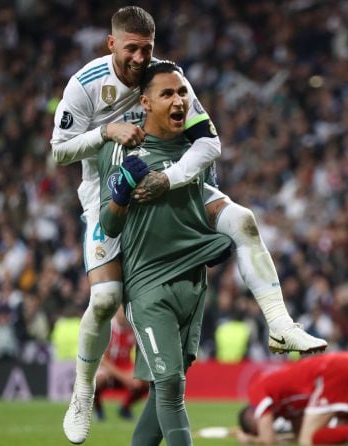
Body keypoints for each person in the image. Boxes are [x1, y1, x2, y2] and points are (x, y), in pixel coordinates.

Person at [51, 7, 326, 443]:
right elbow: (60, 152)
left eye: (147, 48)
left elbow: (209, 141)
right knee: (105, 299)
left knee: (244, 220)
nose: (140, 58)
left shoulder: (168, 80)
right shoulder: (85, 86)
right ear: (111, 45)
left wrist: (169, 178)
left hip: (179, 181)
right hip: (102, 187)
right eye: (131, 49)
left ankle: (279, 323)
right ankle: (84, 389)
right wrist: (107, 133)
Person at [99, 60, 234, 446]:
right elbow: (108, 227)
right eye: (167, 94)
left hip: (194, 283)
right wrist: (121, 194)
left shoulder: (200, 153)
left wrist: (215, 241)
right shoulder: (126, 152)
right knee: (171, 386)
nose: (178, 100)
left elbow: (209, 210)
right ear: (146, 102)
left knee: (164, 389)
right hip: (149, 286)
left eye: (182, 92)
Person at [234, 352, 348, 445]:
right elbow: (297, 435)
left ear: (252, 416)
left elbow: (269, 441)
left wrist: (251, 440)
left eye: (256, 428)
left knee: (309, 441)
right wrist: (280, 438)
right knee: (342, 434)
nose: (266, 426)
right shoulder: (286, 409)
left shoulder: (256, 391)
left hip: (334, 370)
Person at [93, 310, 149, 421]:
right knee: (97, 381)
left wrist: (135, 370)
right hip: (106, 369)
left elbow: (143, 354)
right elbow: (101, 359)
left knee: (147, 380)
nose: (125, 315)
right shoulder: (105, 327)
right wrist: (123, 376)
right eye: (122, 311)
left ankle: (125, 408)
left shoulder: (136, 328)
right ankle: (98, 411)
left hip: (126, 368)